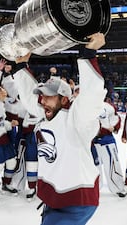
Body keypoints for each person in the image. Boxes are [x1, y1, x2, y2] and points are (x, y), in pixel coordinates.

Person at [13, 33, 106, 225]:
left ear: (64, 99)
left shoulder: (77, 119)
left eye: (48, 96)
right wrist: (21, 66)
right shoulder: (45, 116)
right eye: (42, 96)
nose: (43, 100)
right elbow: (31, 101)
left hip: (76, 199)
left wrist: (87, 54)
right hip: (56, 197)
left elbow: (92, 96)